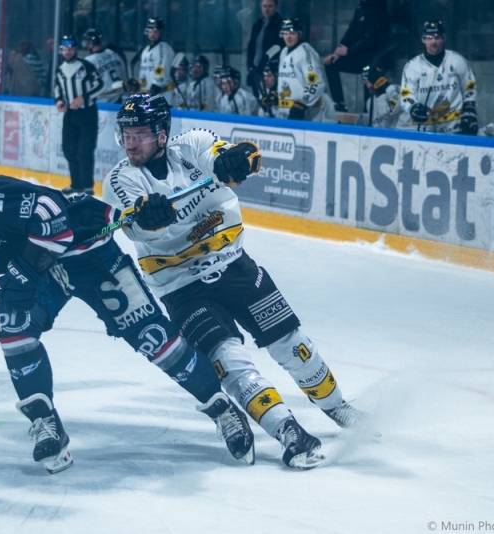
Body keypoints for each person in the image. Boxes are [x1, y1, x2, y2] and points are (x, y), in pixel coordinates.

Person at [0, 162, 255, 473]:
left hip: (87, 248)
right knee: (13, 323)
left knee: (152, 338)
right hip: (43, 268)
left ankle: (222, 409)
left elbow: (49, 210)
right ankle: (45, 422)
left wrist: (23, 273)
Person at [102, 94, 373, 468]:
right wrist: (149, 218)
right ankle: (288, 432)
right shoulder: (121, 180)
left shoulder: (192, 144)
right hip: (182, 289)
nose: (130, 143)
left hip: (235, 266)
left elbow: (228, 159)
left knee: (292, 345)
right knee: (229, 362)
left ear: (163, 134)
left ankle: (337, 407)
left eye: (140, 134)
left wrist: (233, 161)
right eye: (126, 135)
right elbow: (142, 228)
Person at [399, 20, 477, 135]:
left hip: (454, 126)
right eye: (429, 37)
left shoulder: (457, 60)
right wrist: (413, 108)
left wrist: (470, 111)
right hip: (424, 128)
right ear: (423, 40)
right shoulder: (412, 66)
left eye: (437, 37)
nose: (433, 42)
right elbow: (406, 95)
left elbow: (469, 88)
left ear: (444, 38)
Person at [54, 35, 104, 196]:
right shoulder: (60, 69)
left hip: (87, 113)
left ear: (75, 49)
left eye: (71, 48)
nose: (68, 52)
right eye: (65, 49)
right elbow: (57, 88)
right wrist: (59, 101)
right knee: (69, 149)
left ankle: (87, 186)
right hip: (70, 114)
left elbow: (100, 85)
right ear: (61, 51)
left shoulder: (86, 66)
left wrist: (84, 97)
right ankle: (76, 183)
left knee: (85, 149)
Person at [323, 0, 390, 112]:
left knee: (368, 71)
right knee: (331, 63)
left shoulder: (380, 11)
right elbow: (350, 31)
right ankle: (340, 104)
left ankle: (368, 113)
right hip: (357, 56)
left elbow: (372, 39)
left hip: (374, 59)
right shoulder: (360, 8)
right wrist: (338, 52)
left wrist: (349, 51)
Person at [277, 18, 337, 122]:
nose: (288, 37)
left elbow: (315, 83)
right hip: (288, 111)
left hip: (311, 113)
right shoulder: (284, 51)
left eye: (292, 33)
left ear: (299, 34)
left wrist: (301, 104)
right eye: (285, 33)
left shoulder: (305, 52)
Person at [131, 18, 175, 104]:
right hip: (147, 95)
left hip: (160, 97)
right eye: (150, 31)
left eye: (155, 31)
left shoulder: (163, 49)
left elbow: (161, 73)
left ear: (161, 32)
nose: (152, 34)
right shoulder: (146, 49)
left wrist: (152, 91)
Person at [246, 0, 284, 98]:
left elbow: (281, 48)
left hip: (271, 70)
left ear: (276, 7)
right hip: (256, 68)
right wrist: (250, 65)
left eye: (270, 6)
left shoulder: (281, 24)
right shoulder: (257, 24)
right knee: (257, 97)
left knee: (271, 98)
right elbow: (251, 46)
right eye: (264, 6)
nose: (267, 9)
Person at [81, 28, 126, 104]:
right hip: (118, 100)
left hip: (102, 103)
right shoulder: (113, 53)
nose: (87, 46)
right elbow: (122, 71)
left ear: (91, 44)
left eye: (87, 43)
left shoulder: (89, 61)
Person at [357, 64, 408, 128]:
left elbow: (387, 114)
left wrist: (380, 92)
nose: (368, 86)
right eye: (364, 82)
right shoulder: (370, 101)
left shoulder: (394, 90)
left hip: (399, 135)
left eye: (368, 81)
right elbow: (376, 123)